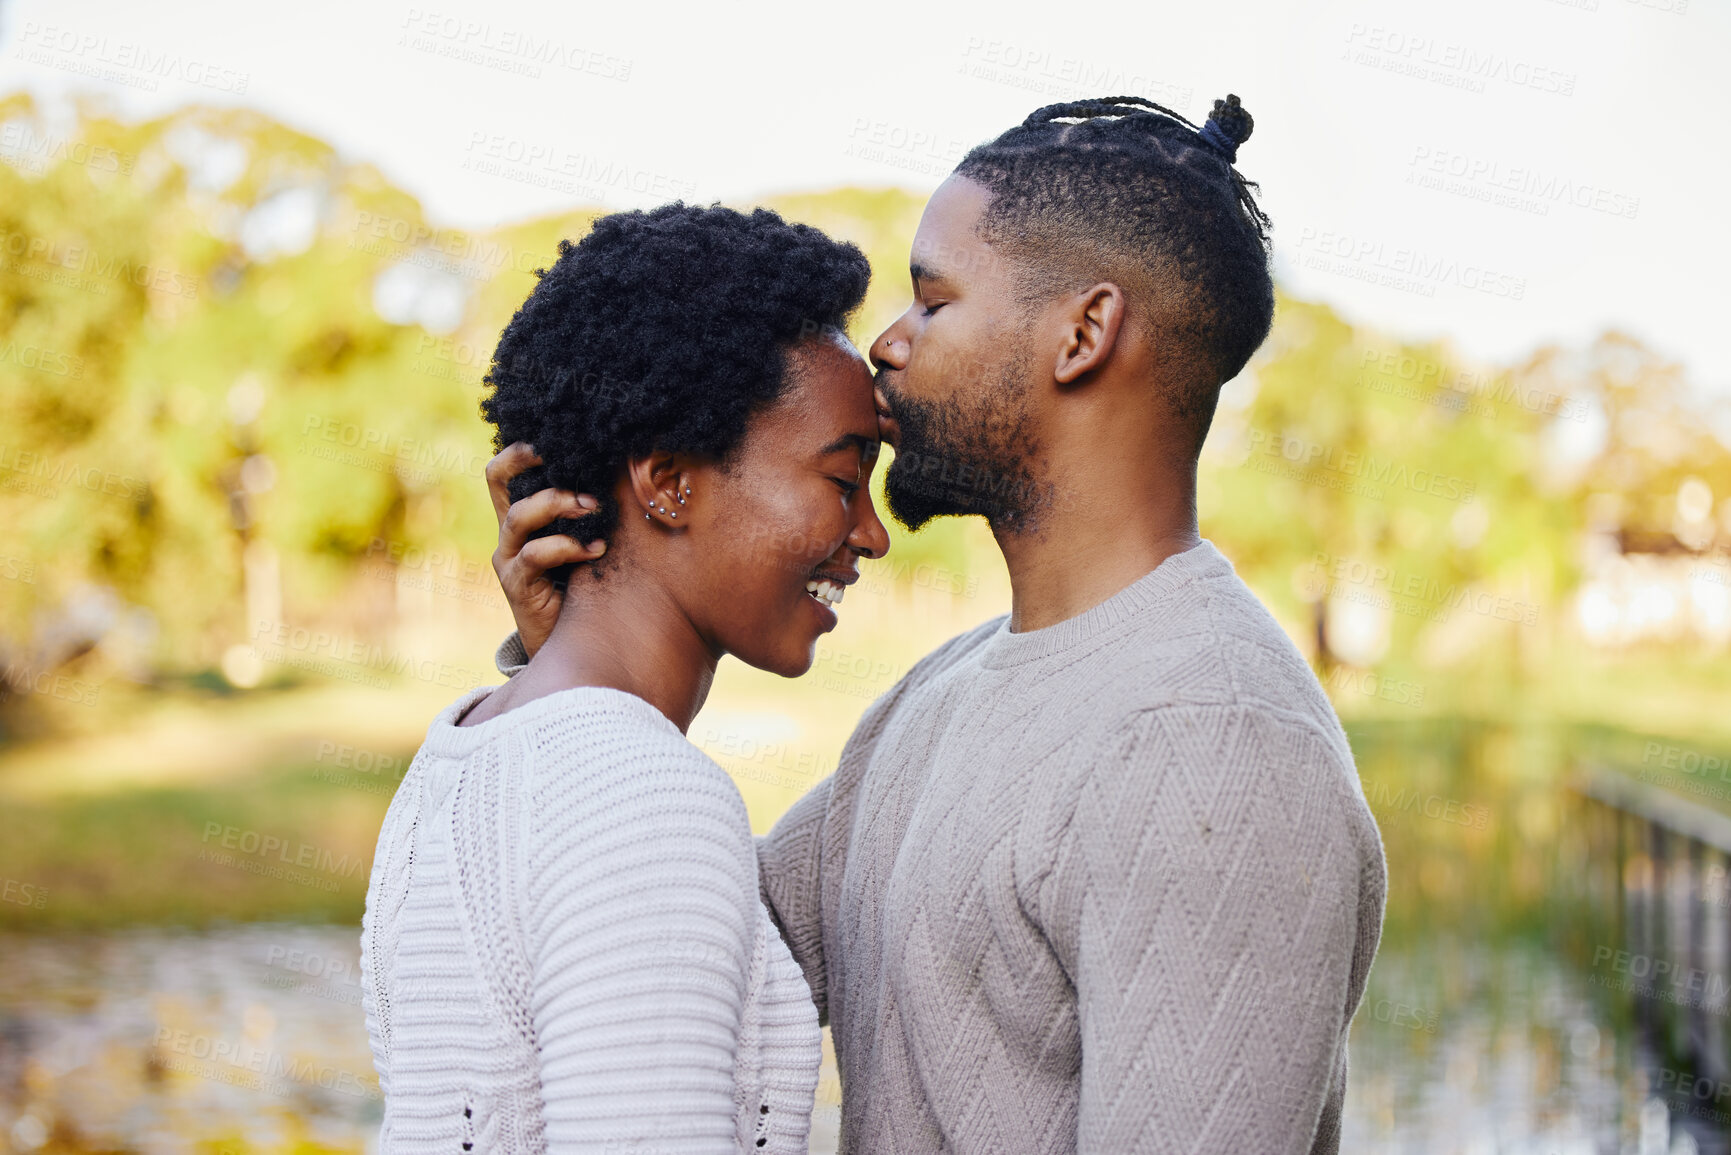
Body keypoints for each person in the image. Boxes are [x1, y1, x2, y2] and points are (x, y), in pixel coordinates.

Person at [488, 95, 1388, 1153]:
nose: (887, 343)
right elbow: (686, 949)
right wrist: (578, 662)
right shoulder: (942, 692)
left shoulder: (1216, 742)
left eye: (933, 300)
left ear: (1084, 333)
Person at [359, 202, 891, 1153]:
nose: (871, 535)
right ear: (667, 481)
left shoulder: (468, 744)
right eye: (845, 480)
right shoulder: (641, 793)